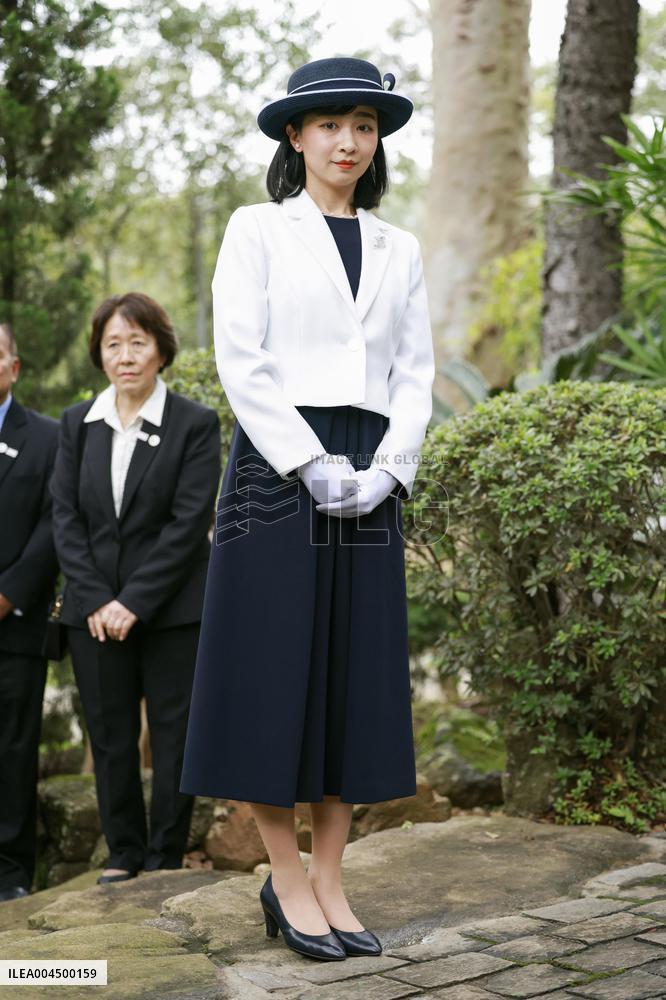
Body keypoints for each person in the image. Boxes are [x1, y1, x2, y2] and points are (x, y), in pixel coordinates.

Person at [179, 56, 435, 961]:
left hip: (370, 470)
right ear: (296, 135)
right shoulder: (258, 230)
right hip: (277, 470)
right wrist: (309, 462)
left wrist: (386, 470)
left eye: (364, 125)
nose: (348, 141)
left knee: (353, 674)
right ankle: (285, 877)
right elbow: (240, 358)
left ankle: (332, 877)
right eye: (329, 124)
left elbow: (416, 374)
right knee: (269, 672)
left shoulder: (400, 247)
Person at [50, 293, 221, 884]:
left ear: (161, 350)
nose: (126, 356)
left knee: (175, 737)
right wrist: (99, 599)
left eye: (137, 342)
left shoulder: (195, 424)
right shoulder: (77, 424)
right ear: (100, 354)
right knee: (111, 735)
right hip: (92, 614)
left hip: (172, 612)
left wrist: (134, 602)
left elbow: (188, 522)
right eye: (113, 345)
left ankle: (165, 855)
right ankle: (123, 852)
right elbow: (65, 519)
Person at [0, 322, 60, 902]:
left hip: (13, 626)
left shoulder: (47, 437)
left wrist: (8, 593)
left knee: (12, 750)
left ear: (13, 367)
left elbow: (53, 525)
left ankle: (11, 873)